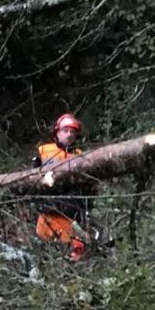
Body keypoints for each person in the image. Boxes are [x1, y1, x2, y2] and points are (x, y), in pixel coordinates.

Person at [32, 111, 93, 262]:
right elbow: (31, 181)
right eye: (65, 131)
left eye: (72, 132)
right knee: (46, 249)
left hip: (71, 211)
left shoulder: (80, 155)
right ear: (57, 133)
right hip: (49, 210)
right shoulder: (44, 151)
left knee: (71, 251)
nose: (69, 135)